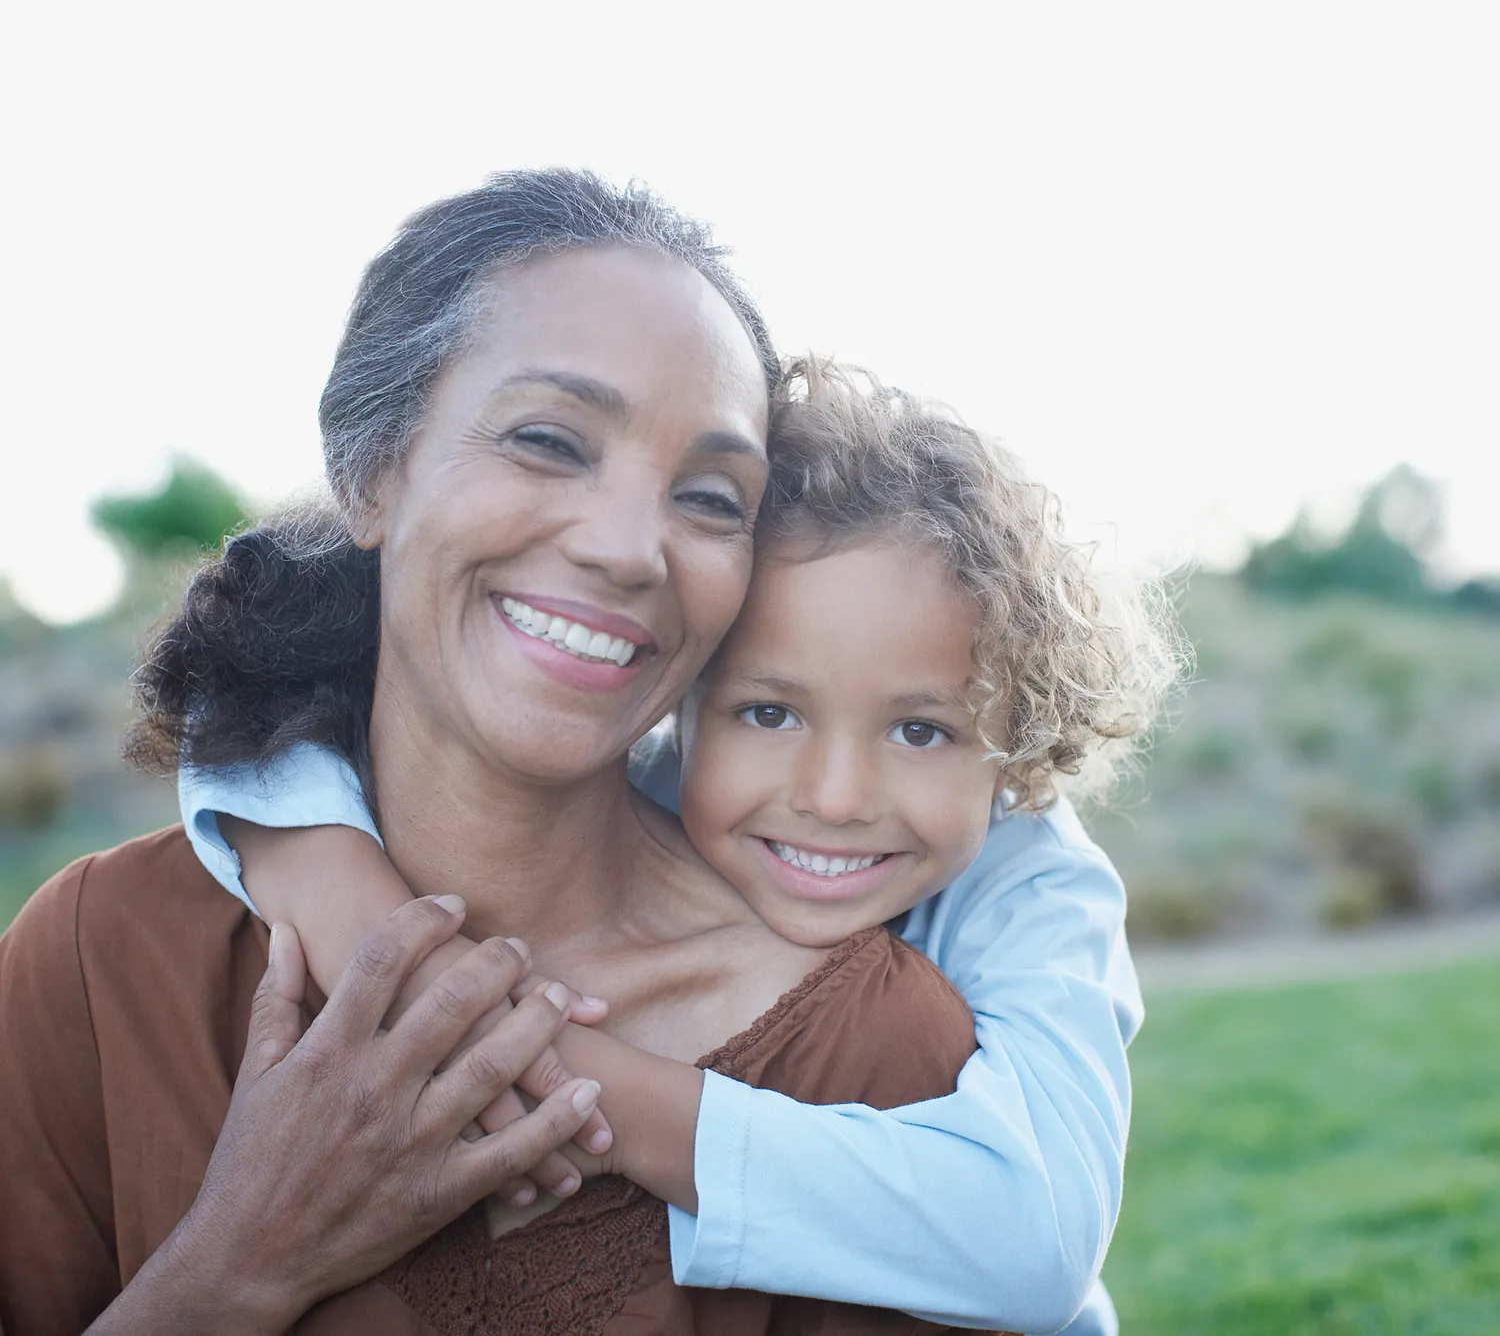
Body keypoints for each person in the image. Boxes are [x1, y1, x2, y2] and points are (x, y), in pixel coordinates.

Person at [177, 359, 1178, 1335]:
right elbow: (244, 695)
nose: (832, 798)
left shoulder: (1037, 886)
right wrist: (327, 878)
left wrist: (555, 1076)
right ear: (683, 689)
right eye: (770, 712)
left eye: (921, 731)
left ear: (1018, 751)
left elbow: (1036, 1242)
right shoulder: (649, 776)